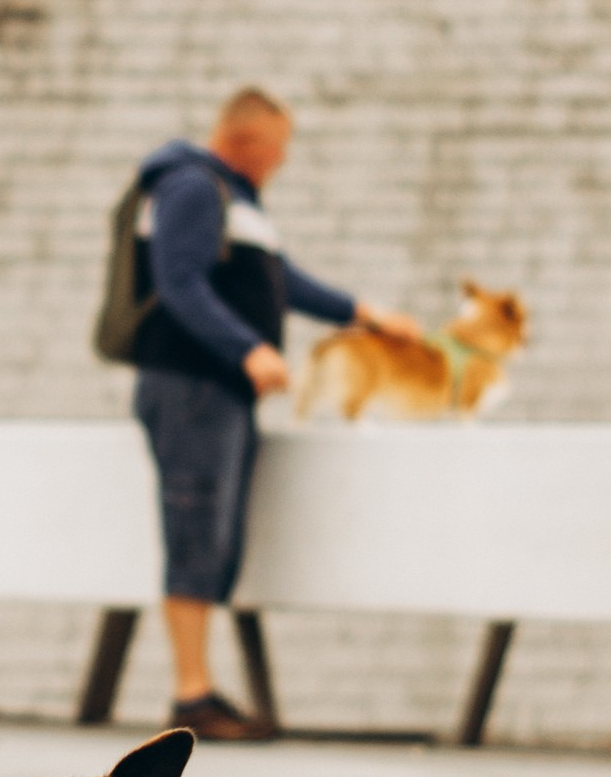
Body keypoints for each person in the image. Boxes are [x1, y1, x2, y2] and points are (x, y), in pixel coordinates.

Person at [127, 89, 418, 739]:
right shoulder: (193, 188)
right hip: (191, 388)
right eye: (279, 147)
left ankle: (198, 691)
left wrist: (364, 313)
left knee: (212, 533)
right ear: (248, 141)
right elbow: (180, 282)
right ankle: (191, 695)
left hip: (214, 392)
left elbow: (281, 280)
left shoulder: (234, 199)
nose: (282, 161)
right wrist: (249, 348)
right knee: (194, 525)